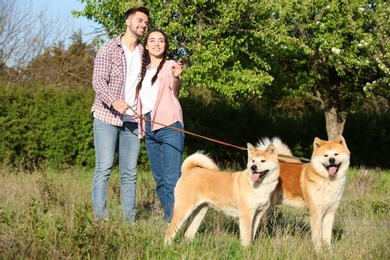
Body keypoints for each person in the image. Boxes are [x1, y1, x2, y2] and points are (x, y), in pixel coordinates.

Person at [91, 6, 149, 222]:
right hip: (107, 117)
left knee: (130, 173)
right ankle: (100, 219)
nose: (143, 25)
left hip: (133, 121)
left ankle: (129, 221)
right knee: (104, 168)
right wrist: (114, 101)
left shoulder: (145, 53)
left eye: (146, 23)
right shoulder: (108, 49)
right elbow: (98, 81)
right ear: (128, 21)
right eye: (139, 20)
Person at [136, 28, 185, 223]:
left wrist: (176, 76)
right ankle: (171, 218)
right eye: (153, 40)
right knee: (159, 180)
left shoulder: (170, 65)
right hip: (149, 129)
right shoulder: (141, 71)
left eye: (161, 41)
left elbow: (176, 88)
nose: (157, 43)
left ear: (165, 46)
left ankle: (175, 222)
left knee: (172, 179)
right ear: (146, 45)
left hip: (170, 126)